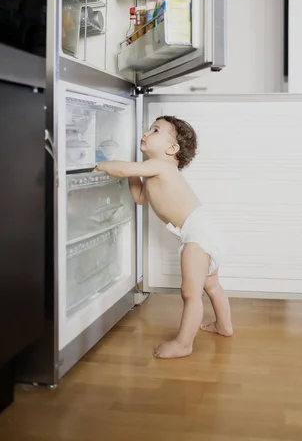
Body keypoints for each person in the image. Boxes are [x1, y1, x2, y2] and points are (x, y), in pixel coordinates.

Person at [94, 115, 233, 359]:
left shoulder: (161, 166)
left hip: (197, 234)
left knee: (190, 293)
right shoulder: (153, 172)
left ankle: (184, 343)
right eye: (149, 129)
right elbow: (140, 198)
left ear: (172, 148)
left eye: (155, 130)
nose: (147, 133)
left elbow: (123, 168)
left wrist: (102, 165)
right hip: (204, 230)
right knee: (211, 285)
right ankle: (224, 325)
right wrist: (132, 175)